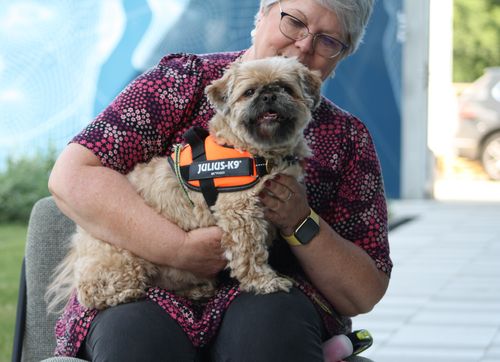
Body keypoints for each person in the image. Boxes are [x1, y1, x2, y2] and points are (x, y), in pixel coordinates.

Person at [48, 0, 392, 361]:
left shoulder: (347, 138)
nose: (304, 45)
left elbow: (362, 292)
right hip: (149, 286)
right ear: (261, 16)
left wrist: (299, 220)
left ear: (342, 56)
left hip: (274, 302)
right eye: (294, 22)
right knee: (134, 335)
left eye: (328, 41)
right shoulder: (182, 82)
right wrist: (179, 248)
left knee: (271, 325)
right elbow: (73, 176)